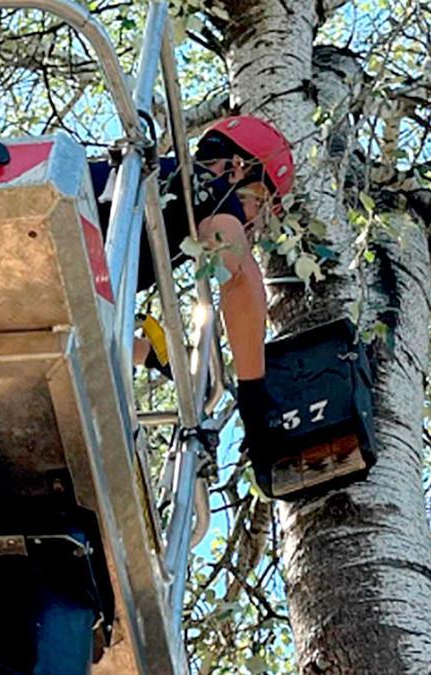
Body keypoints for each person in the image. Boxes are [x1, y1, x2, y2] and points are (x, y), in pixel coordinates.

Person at [90, 115, 291, 443]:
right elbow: (236, 273)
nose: (256, 223)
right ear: (237, 167)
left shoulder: (149, 196)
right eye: (262, 201)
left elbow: (84, 323)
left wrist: (155, 355)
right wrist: (254, 396)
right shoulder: (208, 188)